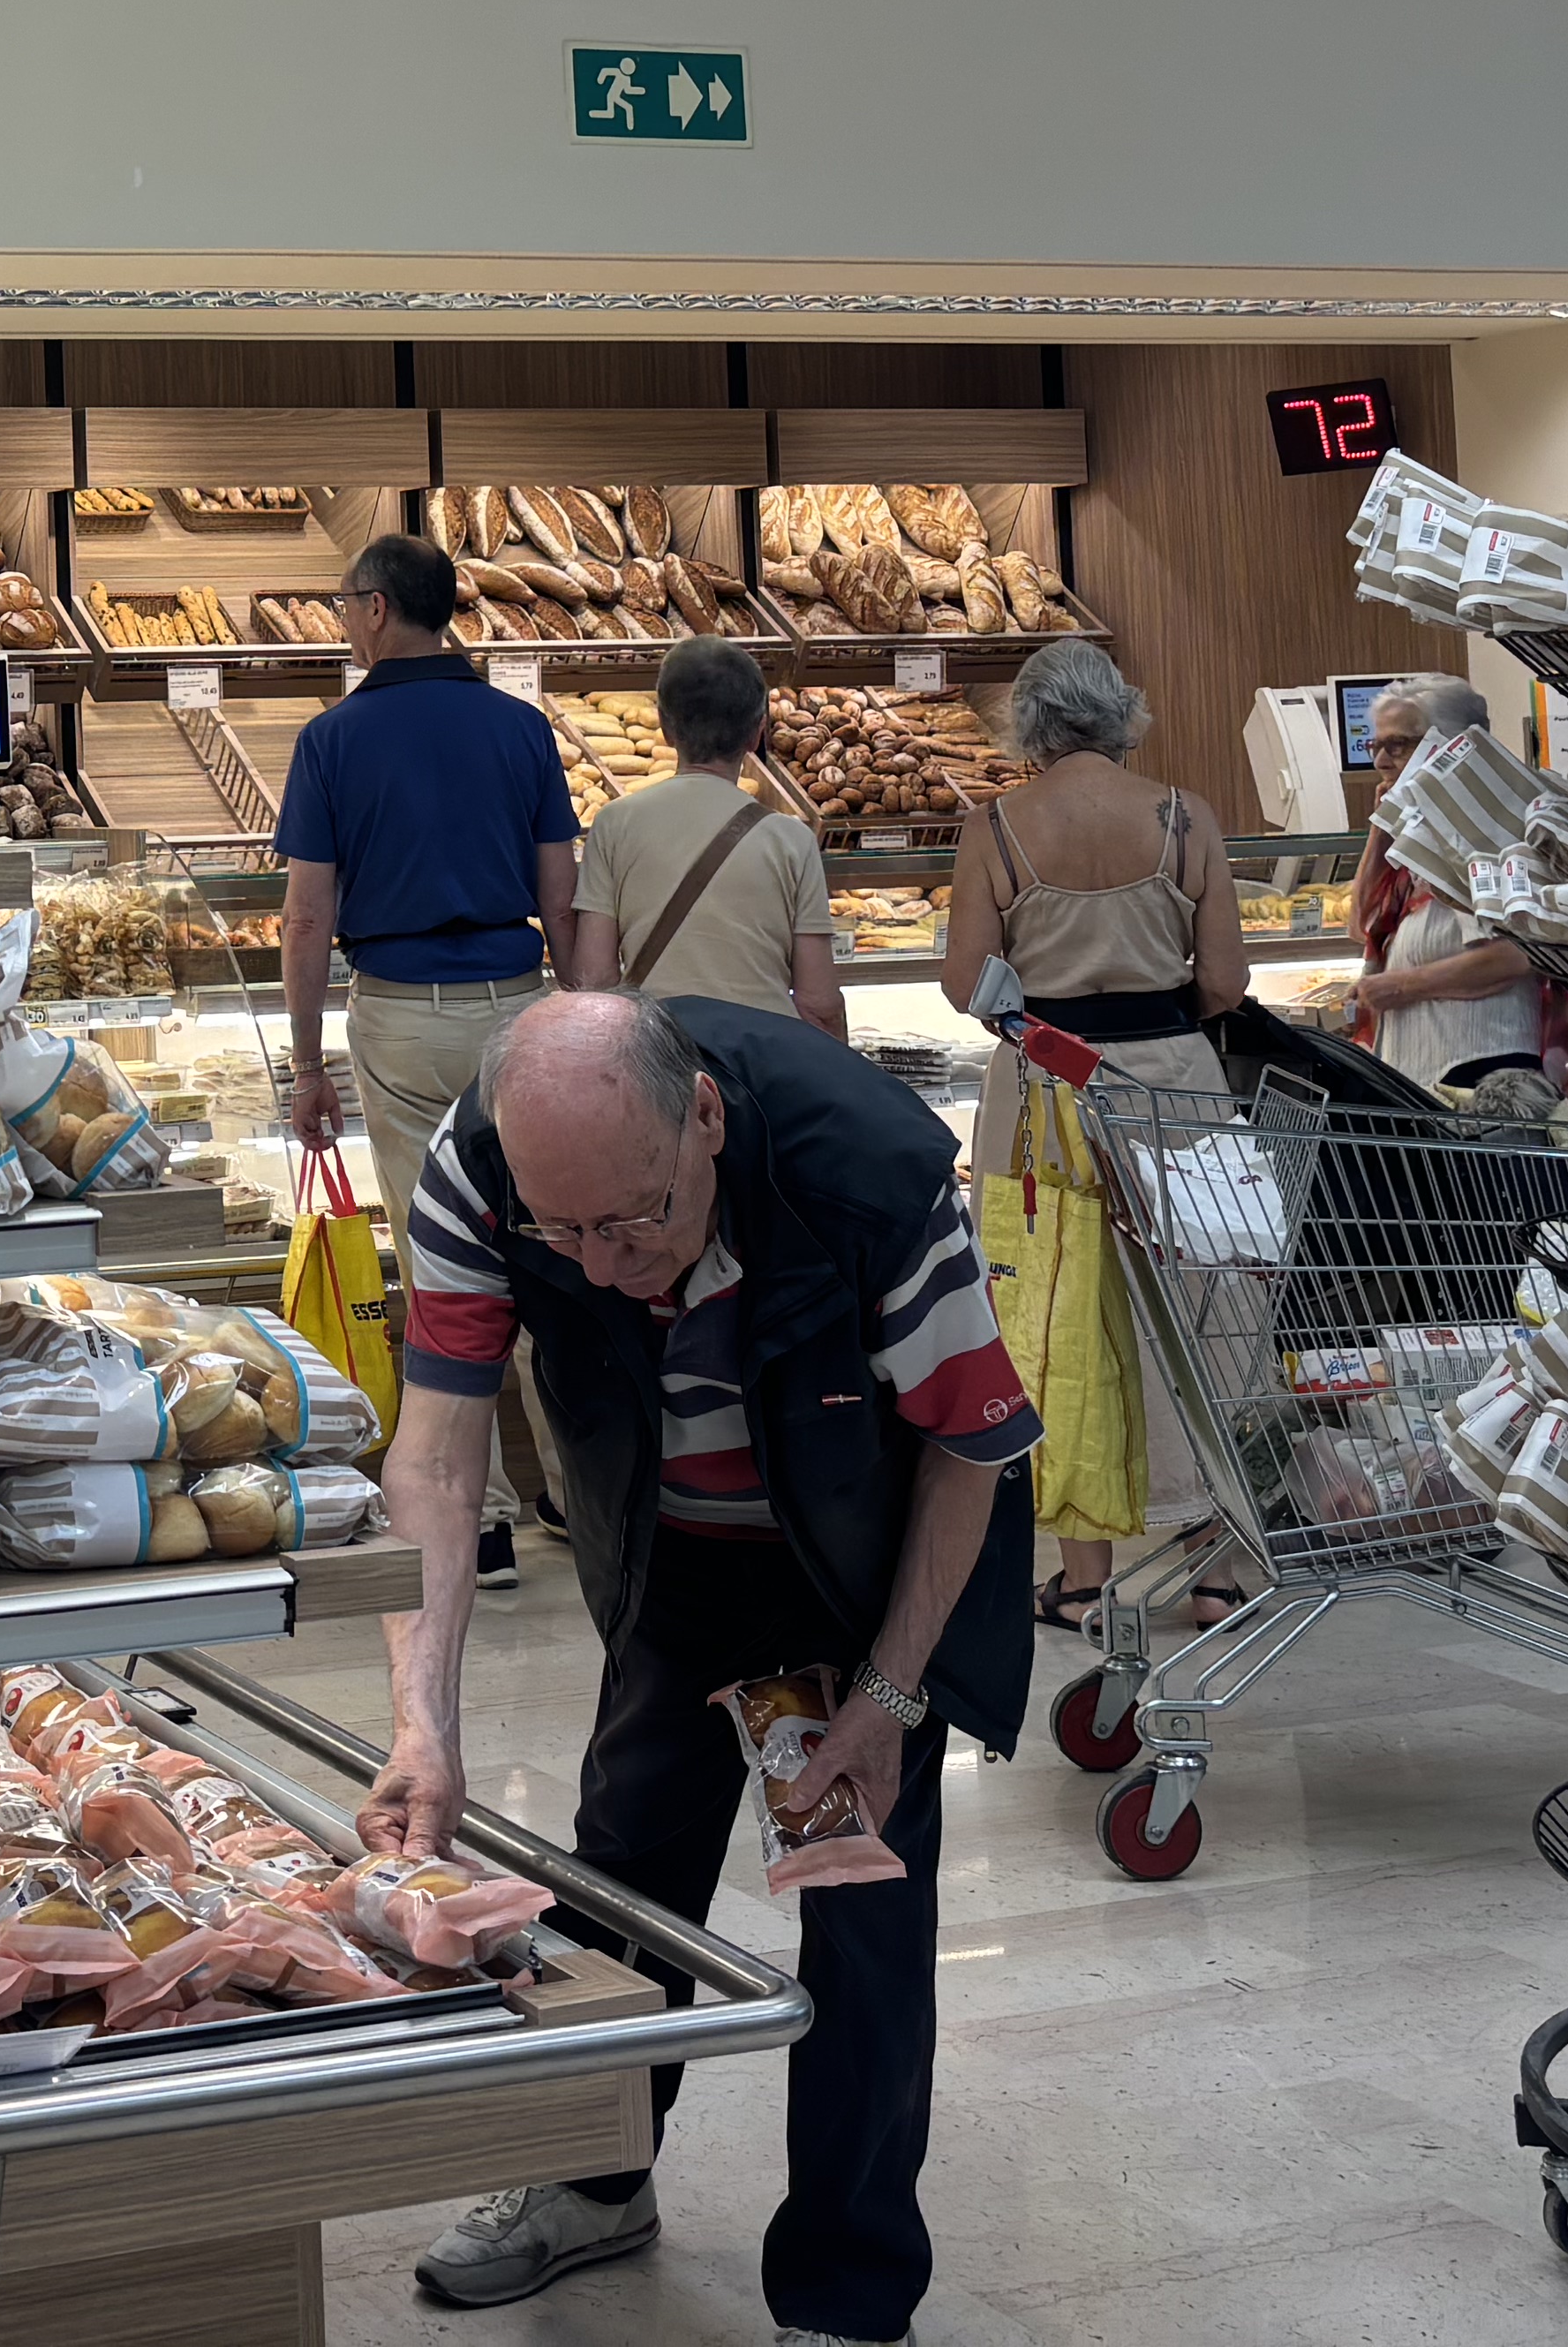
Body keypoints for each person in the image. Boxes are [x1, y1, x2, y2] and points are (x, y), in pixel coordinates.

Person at [373, 990, 1036, 2336]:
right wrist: (422, 1723)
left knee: (863, 1912)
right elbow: (438, 1453)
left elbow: (972, 1444)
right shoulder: (476, 1168)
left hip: (861, 1561)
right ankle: (593, 2180)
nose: (604, 1268)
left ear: (708, 1123)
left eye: (634, 1220)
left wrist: (893, 1693)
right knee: (620, 1867)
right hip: (669, 1549)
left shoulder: (877, 1176)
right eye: (564, 1234)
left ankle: (849, 2287)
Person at [281, 531, 580, 1589]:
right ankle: (583, 1501)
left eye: (341, 605)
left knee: (444, 1265)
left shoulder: (332, 741)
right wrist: (579, 1021)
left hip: (400, 1016)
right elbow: (562, 894)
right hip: (521, 1015)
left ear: (372, 609)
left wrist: (308, 1064)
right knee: (552, 1248)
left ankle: (483, 1524)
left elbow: (309, 919)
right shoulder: (520, 728)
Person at [939, 638, 1248, 1634]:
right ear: (1123, 714)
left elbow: (964, 988)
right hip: (1177, 1089)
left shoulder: (995, 827)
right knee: (1208, 1312)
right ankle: (1215, 1567)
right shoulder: (1183, 816)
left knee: (1060, 1316)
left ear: (1028, 725)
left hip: (1041, 1092)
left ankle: (1083, 1578)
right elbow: (1226, 984)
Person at [567, 637, 844, 1034]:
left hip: (660, 1056)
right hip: (764, 1060)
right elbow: (819, 1003)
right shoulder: (792, 839)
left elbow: (595, 982)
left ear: (665, 727)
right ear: (757, 734)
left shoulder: (614, 824)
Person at [1348, 675, 1553, 1102]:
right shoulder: (1416, 826)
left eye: (1398, 746)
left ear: (1449, 745)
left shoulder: (1482, 828)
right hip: (1424, 1076)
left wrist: (1401, 986)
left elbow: (1517, 956)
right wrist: (1382, 827)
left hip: (1483, 1075)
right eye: (1376, 747)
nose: (1382, 762)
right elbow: (1361, 923)